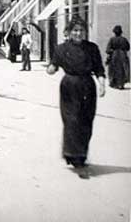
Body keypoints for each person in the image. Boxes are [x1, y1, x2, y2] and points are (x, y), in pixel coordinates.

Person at [46, 16, 105, 176]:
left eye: (81, 30)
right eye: (75, 30)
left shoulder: (92, 48)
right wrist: (50, 69)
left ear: (85, 32)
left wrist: (102, 84)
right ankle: (73, 155)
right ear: (69, 32)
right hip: (69, 87)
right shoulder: (61, 49)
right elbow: (53, 66)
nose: (78, 33)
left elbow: (99, 68)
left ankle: (81, 155)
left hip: (88, 87)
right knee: (71, 120)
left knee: (86, 121)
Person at [105, 25, 130, 89]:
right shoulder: (124, 39)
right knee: (122, 70)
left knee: (113, 70)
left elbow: (107, 50)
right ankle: (121, 84)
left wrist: (111, 51)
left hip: (114, 56)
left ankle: (114, 84)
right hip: (123, 56)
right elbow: (128, 48)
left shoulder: (112, 39)